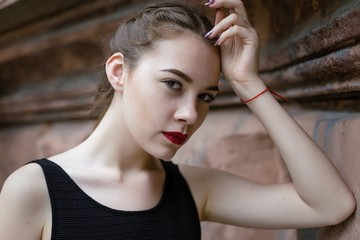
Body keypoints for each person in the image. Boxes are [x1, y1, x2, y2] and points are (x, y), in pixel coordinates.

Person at [0, 0, 356, 239]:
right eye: (173, 84)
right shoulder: (33, 190)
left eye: (206, 96)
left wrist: (249, 84)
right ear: (119, 71)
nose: (190, 114)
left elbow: (329, 205)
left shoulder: (193, 190)